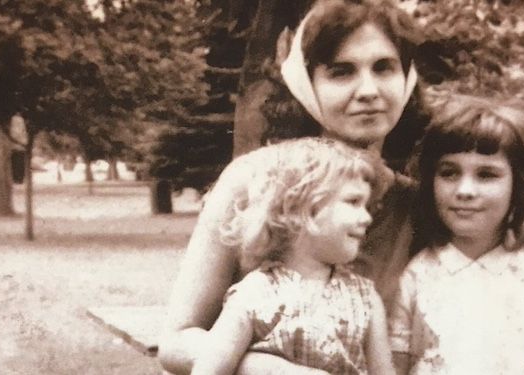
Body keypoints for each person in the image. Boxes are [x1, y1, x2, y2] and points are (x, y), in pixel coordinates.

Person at [159, 0, 427, 373]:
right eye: (341, 72)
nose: (368, 90)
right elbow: (177, 340)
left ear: (407, 77)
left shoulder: (415, 204)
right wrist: (270, 368)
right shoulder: (251, 181)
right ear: (306, 83)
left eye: (384, 68)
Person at [389, 94, 524, 375]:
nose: (465, 190)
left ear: (519, 185)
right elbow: (395, 367)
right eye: (449, 173)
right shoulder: (417, 275)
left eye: (486, 175)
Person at [190, 137, 395, 375]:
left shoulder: (364, 298)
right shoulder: (254, 294)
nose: (366, 217)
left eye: (366, 205)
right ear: (299, 211)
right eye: (353, 202)